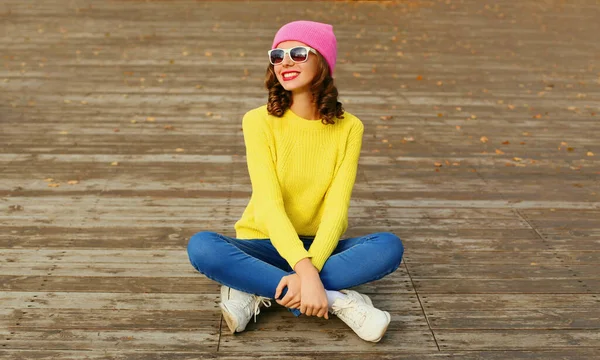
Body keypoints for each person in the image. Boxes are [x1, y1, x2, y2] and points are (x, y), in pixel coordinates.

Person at [187, 20, 404, 343]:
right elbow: (269, 205)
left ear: (323, 63)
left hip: (321, 247)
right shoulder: (258, 121)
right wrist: (308, 277)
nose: (285, 62)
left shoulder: (349, 128)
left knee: (388, 246)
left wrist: (309, 266)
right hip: (263, 243)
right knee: (203, 247)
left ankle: (256, 286)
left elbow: (336, 210)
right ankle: (336, 300)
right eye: (278, 55)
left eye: (299, 53)